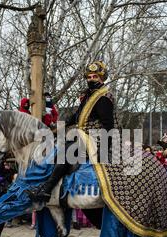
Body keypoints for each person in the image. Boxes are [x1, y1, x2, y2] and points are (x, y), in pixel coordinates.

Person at [26, 61, 116, 202]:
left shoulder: (103, 97)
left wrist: (103, 148)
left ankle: (47, 190)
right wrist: (59, 127)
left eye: (95, 77)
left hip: (96, 138)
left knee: (66, 152)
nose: (91, 79)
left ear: (102, 78)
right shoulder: (89, 96)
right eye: (89, 77)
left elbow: (109, 125)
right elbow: (77, 116)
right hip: (84, 136)